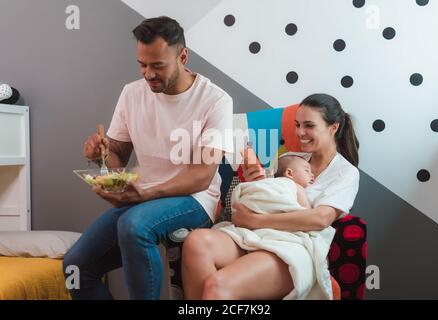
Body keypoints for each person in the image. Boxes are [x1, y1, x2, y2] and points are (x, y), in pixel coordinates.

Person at [63, 16, 233, 300]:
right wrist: (101, 155)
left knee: (134, 224)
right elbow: (117, 156)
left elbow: (202, 176)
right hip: (143, 197)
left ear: (182, 56)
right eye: (142, 65)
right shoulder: (132, 93)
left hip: (195, 198)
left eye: (157, 65)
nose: (148, 74)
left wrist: (144, 193)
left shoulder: (215, 100)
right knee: (77, 266)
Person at [182, 93, 360, 300]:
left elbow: (321, 218)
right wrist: (254, 184)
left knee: (218, 285)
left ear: (333, 127)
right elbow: (269, 196)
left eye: (309, 126)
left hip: (293, 245)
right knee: (197, 242)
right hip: (256, 235)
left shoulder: (345, 172)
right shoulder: (289, 159)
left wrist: (257, 220)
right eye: (297, 125)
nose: (300, 132)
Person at [230, 154, 315, 215]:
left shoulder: (271, 183)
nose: (312, 175)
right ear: (289, 173)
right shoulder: (296, 187)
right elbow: (307, 215)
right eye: (307, 171)